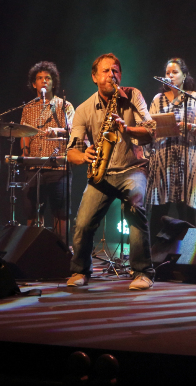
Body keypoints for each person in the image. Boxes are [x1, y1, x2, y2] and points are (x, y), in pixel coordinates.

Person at [66, 53, 156, 290]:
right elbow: (71, 152)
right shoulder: (84, 109)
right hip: (102, 173)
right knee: (83, 223)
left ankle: (142, 272)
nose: (111, 75)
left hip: (133, 168)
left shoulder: (133, 95)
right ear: (94, 77)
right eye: (105, 71)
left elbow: (150, 131)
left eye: (115, 70)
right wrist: (83, 155)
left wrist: (127, 128)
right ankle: (80, 271)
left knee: (135, 206)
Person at [146, 58, 196, 240]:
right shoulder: (157, 100)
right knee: (159, 211)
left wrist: (189, 127)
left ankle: (189, 257)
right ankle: (154, 257)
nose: (170, 76)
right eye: (167, 73)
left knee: (186, 213)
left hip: (187, 162)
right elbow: (149, 128)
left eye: (174, 72)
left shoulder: (195, 98)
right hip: (162, 162)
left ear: (184, 75)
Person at [20, 61, 74, 241]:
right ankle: (33, 252)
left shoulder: (64, 105)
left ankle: (61, 252)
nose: (44, 81)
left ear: (53, 83)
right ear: (34, 84)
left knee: (60, 214)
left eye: (48, 78)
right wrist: (24, 153)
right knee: (32, 214)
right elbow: (24, 134)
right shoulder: (28, 107)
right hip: (33, 169)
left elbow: (74, 131)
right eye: (40, 78)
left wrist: (58, 131)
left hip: (58, 168)